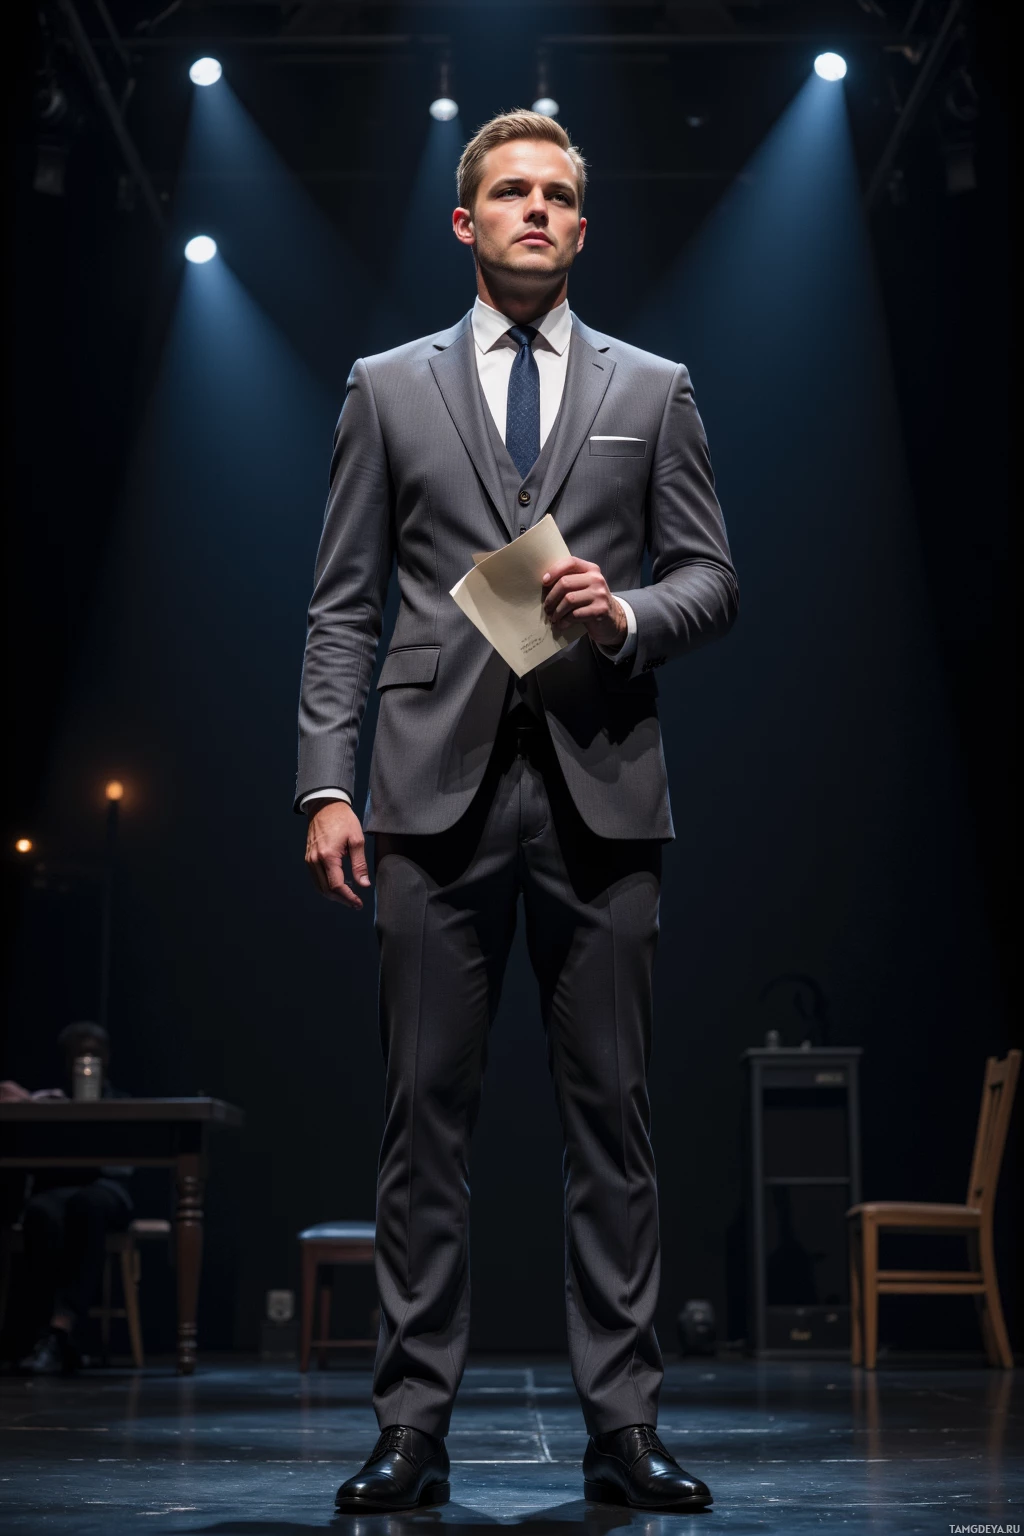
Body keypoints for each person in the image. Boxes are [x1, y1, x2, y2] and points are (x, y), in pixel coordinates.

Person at [295, 110, 738, 1513]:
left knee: (612, 1121)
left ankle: (624, 1427)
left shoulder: (653, 388)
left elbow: (714, 578)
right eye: (510, 194)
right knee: (423, 1123)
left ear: (583, 229)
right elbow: (342, 606)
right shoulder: (386, 385)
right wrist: (323, 780)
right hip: (428, 800)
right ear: (464, 223)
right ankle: (413, 1428)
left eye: (557, 196)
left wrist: (629, 613)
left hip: (604, 797)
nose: (534, 211)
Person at [1, 1023, 132, 1373]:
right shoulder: (48, 1103)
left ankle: (63, 1328)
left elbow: (125, 1167)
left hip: (105, 1191)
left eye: (95, 1054)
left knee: (87, 1206)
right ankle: (38, 1334)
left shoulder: (122, 1104)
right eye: (79, 1054)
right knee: (41, 1213)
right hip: (57, 1192)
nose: (88, 1061)